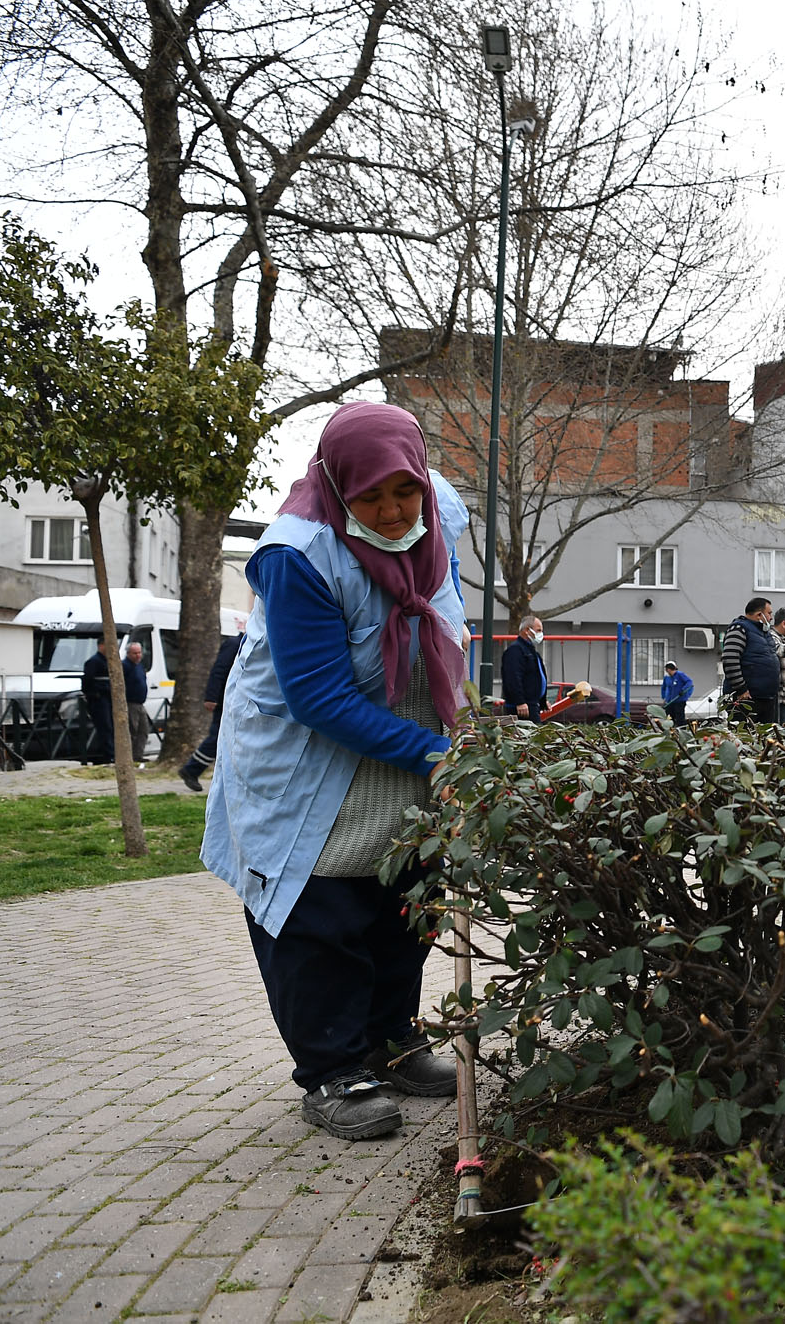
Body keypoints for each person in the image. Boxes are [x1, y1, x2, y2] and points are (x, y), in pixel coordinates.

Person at [202, 400, 468, 1142]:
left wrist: (462, 726)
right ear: (337, 487)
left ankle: (390, 1040)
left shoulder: (437, 519)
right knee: (322, 920)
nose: (389, 511)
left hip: (406, 754)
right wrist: (436, 751)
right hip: (307, 764)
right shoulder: (299, 555)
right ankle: (332, 1068)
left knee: (401, 907)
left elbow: (447, 624)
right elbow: (317, 696)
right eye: (369, 498)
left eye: (403, 492)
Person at [181, 613, 248, 791]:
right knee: (218, 737)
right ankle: (191, 770)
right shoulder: (234, 645)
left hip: (233, 700)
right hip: (223, 700)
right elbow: (219, 671)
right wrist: (211, 697)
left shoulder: (243, 646)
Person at [721, 597, 781, 723]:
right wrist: (741, 689)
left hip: (767, 698)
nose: (771, 618)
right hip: (746, 699)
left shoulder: (765, 633)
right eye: (769, 613)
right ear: (759, 615)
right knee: (746, 737)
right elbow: (730, 659)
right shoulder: (739, 629)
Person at [501, 614, 549, 722]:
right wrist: (520, 701)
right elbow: (513, 678)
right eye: (538, 630)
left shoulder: (531, 652)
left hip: (531, 705)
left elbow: (535, 677)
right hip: (523, 707)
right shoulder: (515, 651)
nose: (541, 634)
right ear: (527, 630)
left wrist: (542, 701)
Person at [80, 638, 115, 764]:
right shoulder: (94, 662)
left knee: (110, 726)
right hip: (99, 700)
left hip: (108, 699)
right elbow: (87, 681)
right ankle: (108, 755)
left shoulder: (108, 661)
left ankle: (111, 753)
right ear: (100, 646)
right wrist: (95, 694)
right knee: (105, 727)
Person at [122, 641, 151, 763]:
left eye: (139, 653)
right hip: (130, 702)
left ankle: (138, 755)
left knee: (143, 730)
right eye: (134, 653)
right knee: (132, 730)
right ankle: (128, 757)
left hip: (140, 703)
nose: (138, 656)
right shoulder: (125, 666)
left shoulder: (139, 666)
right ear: (128, 653)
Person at [660, 660, 693, 728]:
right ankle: (671, 731)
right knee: (669, 717)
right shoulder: (667, 677)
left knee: (679, 717)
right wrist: (664, 698)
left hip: (679, 700)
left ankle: (681, 731)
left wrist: (683, 690)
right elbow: (663, 688)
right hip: (670, 701)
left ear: (669, 669)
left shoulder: (680, 675)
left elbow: (689, 682)